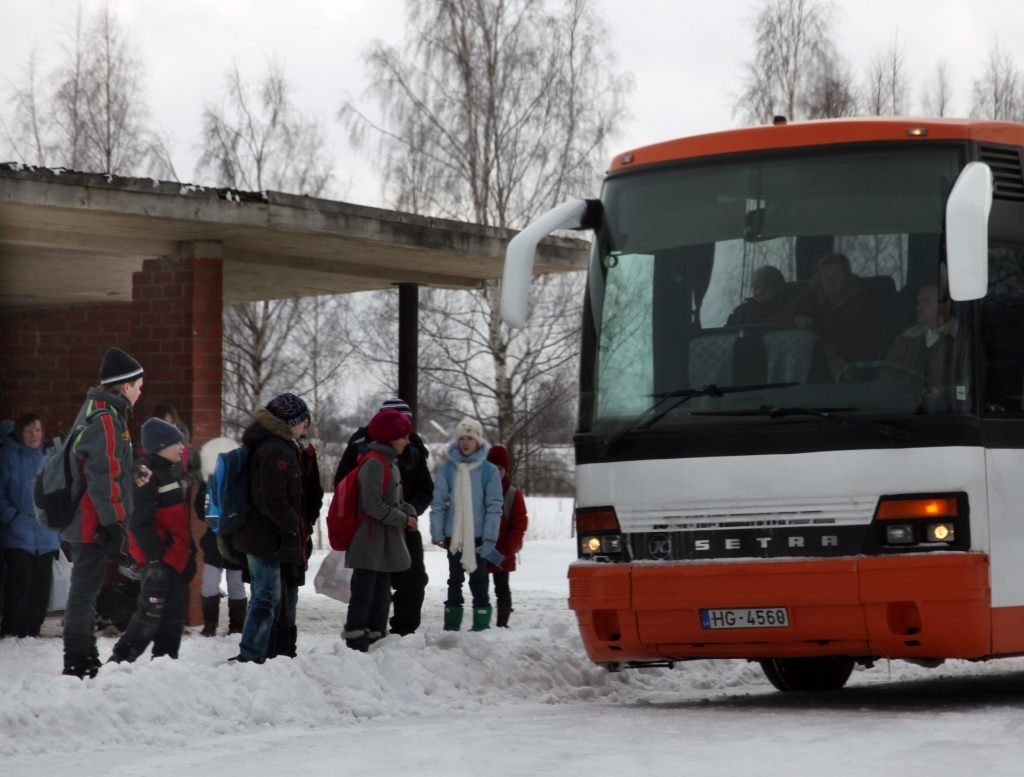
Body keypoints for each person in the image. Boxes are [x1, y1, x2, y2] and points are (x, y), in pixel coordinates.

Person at [62, 348, 144, 679]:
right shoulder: (107, 418)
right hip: (92, 522)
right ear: (125, 386)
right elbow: (101, 476)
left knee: (85, 590)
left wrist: (132, 470)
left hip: (91, 518)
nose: (141, 391)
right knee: (84, 592)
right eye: (139, 384)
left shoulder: (100, 411)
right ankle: (78, 658)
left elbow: (108, 465)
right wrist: (112, 524)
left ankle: (82, 653)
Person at [333, 398, 433, 636]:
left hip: (404, 526)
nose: (405, 434)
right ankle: (362, 630)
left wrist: (411, 513)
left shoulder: (413, 448)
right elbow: (345, 487)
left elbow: (426, 489)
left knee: (413, 580)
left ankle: (403, 632)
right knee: (370, 584)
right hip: (371, 528)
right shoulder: (363, 449)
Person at [230, 393, 309, 664]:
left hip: (264, 535)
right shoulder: (274, 448)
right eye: (303, 422)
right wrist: (290, 526)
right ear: (293, 422)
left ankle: (259, 651)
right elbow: (270, 498)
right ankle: (251, 654)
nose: (305, 428)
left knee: (268, 595)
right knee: (265, 596)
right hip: (264, 536)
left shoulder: (272, 444)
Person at [108, 419, 194, 663]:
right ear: (160, 445)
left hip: (171, 557)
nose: (182, 446)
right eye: (177, 442)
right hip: (158, 559)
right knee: (150, 614)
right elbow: (139, 521)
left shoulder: (170, 472)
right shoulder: (146, 473)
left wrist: (188, 554)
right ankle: (120, 660)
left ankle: (165, 663)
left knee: (173, 618)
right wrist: (155, 555)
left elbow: (178, 522)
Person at [341, 408, 418, 652]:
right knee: (364, 593)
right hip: (369, 541)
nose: (407, 441)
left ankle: (376, 636)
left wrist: (411, 512)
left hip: (384, 542)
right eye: (404, 436)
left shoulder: (389, 462)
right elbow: (373, 505)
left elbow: (395, 501)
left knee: (382, 594)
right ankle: (356, 639)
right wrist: (404, 520)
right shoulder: (374, 463)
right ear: (389, 437)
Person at [429, 418, 503, 632]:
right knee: (454, 580)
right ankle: (451, 624)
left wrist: (489, 537)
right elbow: (439, 502)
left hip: (479, 536)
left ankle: (481, 625)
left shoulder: (489, 471)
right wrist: (438, 532)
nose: (465, 442)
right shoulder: (447, 469)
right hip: (455, 536)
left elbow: (494, 506)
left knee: (479, 580)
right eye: (461, 438)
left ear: (478, 441)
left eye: (470, 438)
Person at [0, 413, 61, 638]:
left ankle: (33, 633)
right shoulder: (8, 456)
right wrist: (12, 517)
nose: (34, 435)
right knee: (20, 583)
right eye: (28, 431)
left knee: (41, 587)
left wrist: (58, 527)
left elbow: (60, 495)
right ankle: (12, 632)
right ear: (20, 434)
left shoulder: (52, 457)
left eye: (37, 430)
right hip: (17, 532)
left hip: (46, 534)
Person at [265, 430, 323, 659]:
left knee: (290, 592)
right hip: (273, 535)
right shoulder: (271, 449)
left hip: (298, 535)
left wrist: (306, 524)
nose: (304, 424)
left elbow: (315, 492)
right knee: (270, 593)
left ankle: (287, 647)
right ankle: (271, 646)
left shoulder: (307, 451)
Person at [776, 253, 881, 366]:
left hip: (848, 364)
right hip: (809, 360)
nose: (830, 281)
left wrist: (835, 349)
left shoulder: (860, 303)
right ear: (819, 277)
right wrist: (796, 319)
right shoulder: (809, 295)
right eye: (826, 276)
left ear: (846, 277)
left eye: (836, 276)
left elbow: (867, 342)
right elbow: (779, 319)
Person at [196, 437, 249, 637]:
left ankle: (232, 626)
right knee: (221, 582)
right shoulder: (217, 482)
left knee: (230, 582)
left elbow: (201, 511)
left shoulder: (211, 481)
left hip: (226, 538)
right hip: (226, 538)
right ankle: (217, 625)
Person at [883, 282, 969, 401]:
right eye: (919, 301)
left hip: (946, 414)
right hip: (903, 412)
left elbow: (970, 386)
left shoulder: (963, 340)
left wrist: (939, 393)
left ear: (945, 305)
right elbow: (885, 380)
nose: (918, 307)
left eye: (926, 301)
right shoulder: (904, 339)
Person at [484, 445, 529, 629]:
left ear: (506, 470)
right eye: (492, 468)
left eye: (500, 468)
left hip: (504, 549)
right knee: (481, 587)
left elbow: (519, 524)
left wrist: (507, 547)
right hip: (483, 549)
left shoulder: (512, 494)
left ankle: (502, 623)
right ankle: (482, 622)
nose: (496, 472)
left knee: (502, 587)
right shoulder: (479, 492)